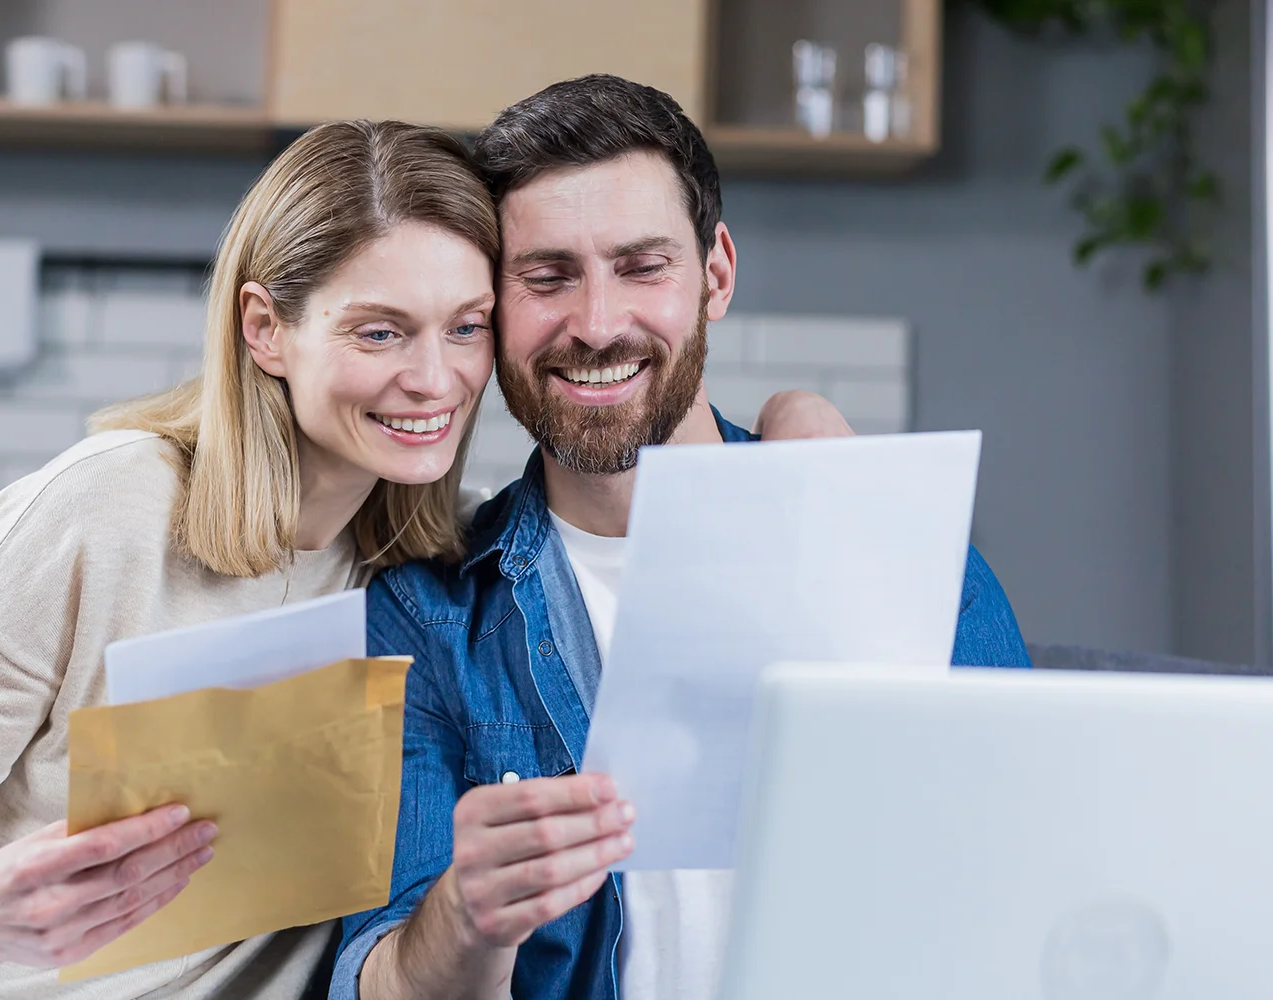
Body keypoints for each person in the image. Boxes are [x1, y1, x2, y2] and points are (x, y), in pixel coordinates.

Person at [0, 118, 842, 999]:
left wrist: (804, 425)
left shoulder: (439, 572)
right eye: (380, 332)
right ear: (266, 328)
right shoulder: (110, 505)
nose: (432, 379)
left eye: (467, 327)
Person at [335, 76, 1032, 1000]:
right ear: (494, 308)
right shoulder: (428, 616)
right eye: (547, 277)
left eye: (641, 266)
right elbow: (375, 979)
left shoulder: (887, 541)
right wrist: (466, 915)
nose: (595, 324)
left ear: (716, 273)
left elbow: (1024, 872)